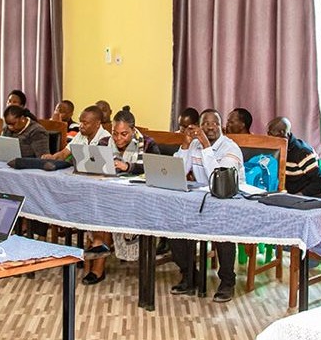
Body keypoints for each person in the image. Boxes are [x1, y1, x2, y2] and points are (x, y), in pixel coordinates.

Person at [169, 109, 244, 302]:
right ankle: (189, 274)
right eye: (205, 123)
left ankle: (227, 281)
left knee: (223, 229)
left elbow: (219, 179)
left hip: (228, 201)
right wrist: (185, 145)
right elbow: (177, 172)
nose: (210, 127)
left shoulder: (230, 148)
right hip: (201, 200)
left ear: (222, 126)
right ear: (199, 126)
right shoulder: (194, 144)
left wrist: (205, 146)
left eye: (215, 123)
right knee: (173, 224)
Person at [80, 106, 157, 285]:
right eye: (115, 133)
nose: (118, 138)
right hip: (109, 195)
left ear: (133, 130)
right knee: (100, 206)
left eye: (124, 134)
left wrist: (129, 167)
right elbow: (94, 165)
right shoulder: (104, 142)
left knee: (104, 210)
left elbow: (155, 168)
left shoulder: (147, 144)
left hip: (136, 200)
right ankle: (98, 253)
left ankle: (97, 257)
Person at [266, 117, 321, 197]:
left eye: (271, 134)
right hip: (284, 195)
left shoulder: (302, 152)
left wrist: (298, 196)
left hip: (303, 197)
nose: (268, 137)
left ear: (283, 133)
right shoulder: (275, 149)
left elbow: (319, 182)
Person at [45, 105, 110, 161]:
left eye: (85, 123)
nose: (81, 126)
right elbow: (64, 153)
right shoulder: (80, 135)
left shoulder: (106, 138)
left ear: (97, 124)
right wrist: (52, 157)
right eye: (80, 122)